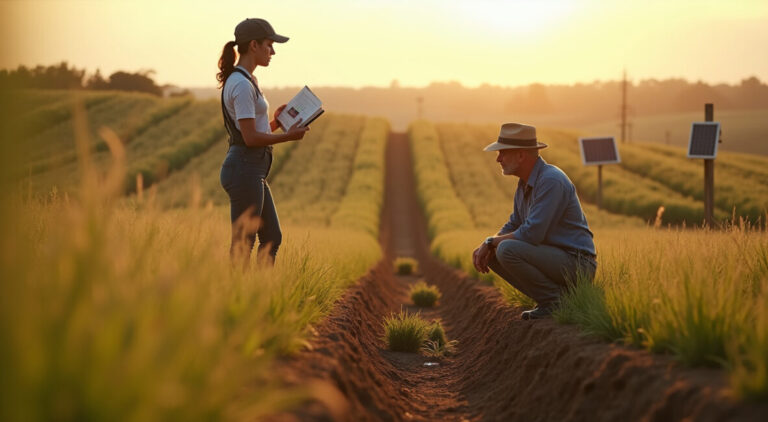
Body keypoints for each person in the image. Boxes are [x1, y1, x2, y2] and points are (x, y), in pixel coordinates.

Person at [472, 123, 597, 320]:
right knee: (493, 252)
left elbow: (532, 234)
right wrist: (487, 244)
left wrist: (491, 241)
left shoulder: (551, 180)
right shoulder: (524, 184)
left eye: (502, 153)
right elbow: (514, 223)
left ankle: (555, 301)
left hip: (577, 265)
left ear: (521, 155)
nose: (498, 159)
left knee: (505, 249)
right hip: (555, 260)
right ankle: (554, 298)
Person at [217, 18, 309, 267]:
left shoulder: (247, 80)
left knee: (271, 237)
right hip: (244, 169)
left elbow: (253, 131)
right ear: (254, 45)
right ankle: (238, 299)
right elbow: (250, 138)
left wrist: (276, 124)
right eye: (270, 45)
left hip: (251, 169)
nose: (273, 51)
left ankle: (259, 295)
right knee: (243, 243)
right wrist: (289, 136)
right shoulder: (241, 85)